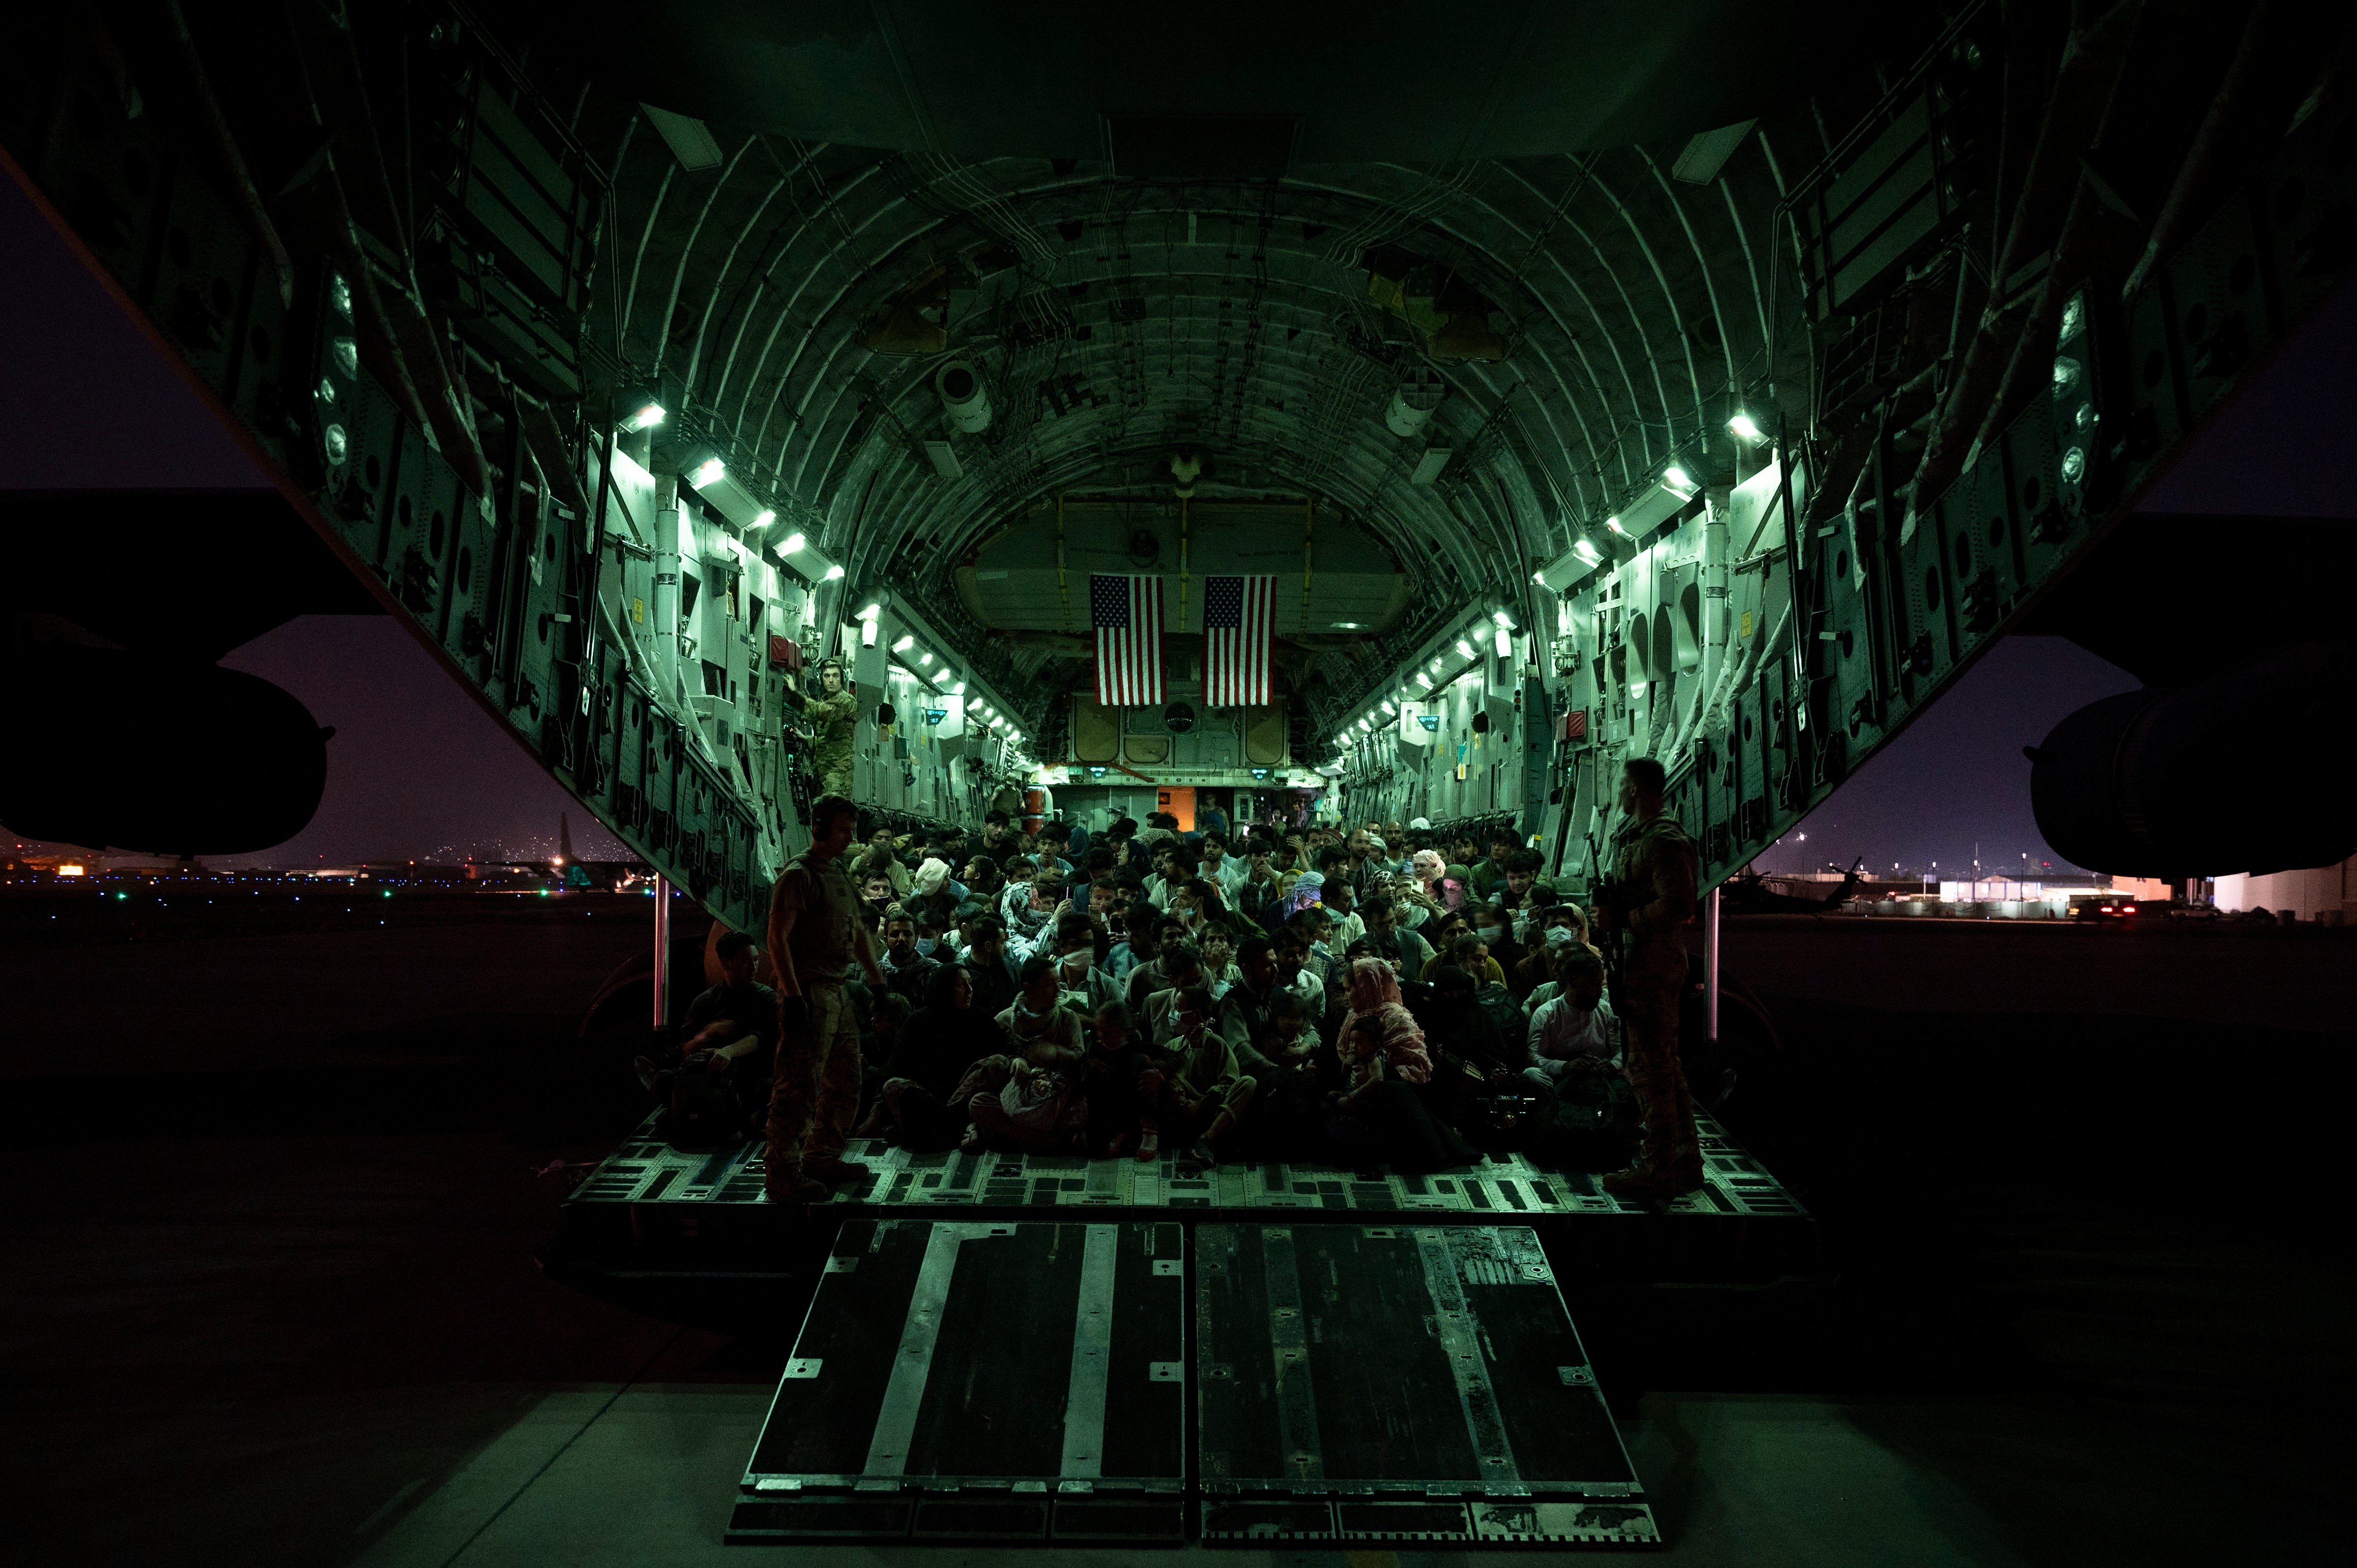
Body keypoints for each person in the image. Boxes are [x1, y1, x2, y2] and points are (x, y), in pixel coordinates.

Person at [763, 794, 890, 1203]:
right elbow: (777, 938)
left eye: (852, 830)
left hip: (837, 990)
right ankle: (783, 1171)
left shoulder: (837, 874)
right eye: (842, 829)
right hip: (811, 991)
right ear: (819, 828)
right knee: (799, 1084)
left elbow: (857, 932)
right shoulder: (799, 875)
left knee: (845, 1078)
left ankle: (822, 1155)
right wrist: (792, 995)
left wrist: (878, 983)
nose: (848, 837)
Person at [1595, 756, 1702, 1199]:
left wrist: (1628, 917)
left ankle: (1657, 1168)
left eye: (1622, 784)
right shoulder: (1638, 837)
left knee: (1648, 1068)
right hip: (1639, 961)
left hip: (1655, 964)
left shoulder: (1662, 840)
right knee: (1665, 1065)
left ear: (1636, 789)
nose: (1618, 792)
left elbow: (1679, 904)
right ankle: (1685, 1159)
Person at [873, 963, 998, 1151]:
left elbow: (998, 1055)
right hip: (929, 1099)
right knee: (893, 1086)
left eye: (970, 984)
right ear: (944, 989)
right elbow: (894, 1068)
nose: (969, 990)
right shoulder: (918, 1022)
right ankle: (960, 1130)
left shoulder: (980, 1020)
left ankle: (940, 1133)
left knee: (998, 1063)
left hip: (964, 1100)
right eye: (960, 985)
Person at [1147, 985, 1257, 1163]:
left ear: (1195, 1013)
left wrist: (1202, 1102)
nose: (1173, 1012)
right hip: (1180, 1112)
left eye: (1179, 1008)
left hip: (1210, 1110)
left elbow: (1229, 1082)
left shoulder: (1216, 1044)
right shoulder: (1172, 1047)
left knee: (1248, 1082)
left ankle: (1206, 1139)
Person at [1525, 946, 1617, 1090]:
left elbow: (1622, 1050)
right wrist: (1565, 1067)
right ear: (1573, 982)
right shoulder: (1546, 1014)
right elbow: (1534, 1058)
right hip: (1561, 1085)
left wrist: (1613, 1065)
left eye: (1600, 984)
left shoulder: (1606, 1010)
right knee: (1532, 1074)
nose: (1599, 991)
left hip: (1602, 1083)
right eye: (1592, 984)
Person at [806, 660, 858, 798]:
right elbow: (826, 739)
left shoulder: (847, 701)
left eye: (835, 676)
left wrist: (797, 695)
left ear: (842, 678)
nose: (831, 680)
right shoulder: (823, 701)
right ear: (820, 678)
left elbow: (827, 713)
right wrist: (806, 739)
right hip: (823, 773)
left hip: (838, 774)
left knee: (834, 816)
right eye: (827, 676)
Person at [1359, 893, 1434, 979]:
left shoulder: (1415, 939)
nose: (1389, 928)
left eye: (1391, 921)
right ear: (1369, 925)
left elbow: (1436, 966)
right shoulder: (1361, 945)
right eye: (1381, 925)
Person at [875, 909, 938, 1006]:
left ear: (916, 939)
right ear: (885, 940)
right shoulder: (875, 973)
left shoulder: (933, 972)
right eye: (895, 935)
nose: (901, 939)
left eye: (907, 934)